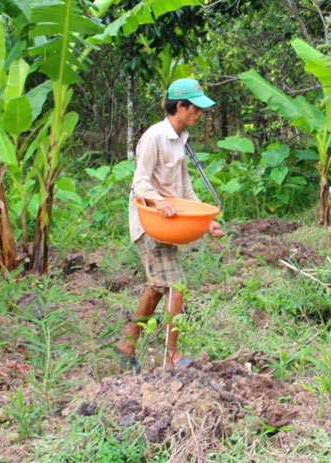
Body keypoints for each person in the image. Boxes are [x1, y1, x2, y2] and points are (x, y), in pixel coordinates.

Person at [114, 78, 225, 371]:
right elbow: (140, 183)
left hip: (169, 225)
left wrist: (207, 223)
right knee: (176, 286)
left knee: (156, 287)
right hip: (149, 223)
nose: (200, 115)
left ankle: (127, 344)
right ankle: (171, 357)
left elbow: (185, 190)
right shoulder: (153, 138)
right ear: (180, 106)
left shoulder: (182, 140)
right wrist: (158, 201)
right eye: (196, 109)